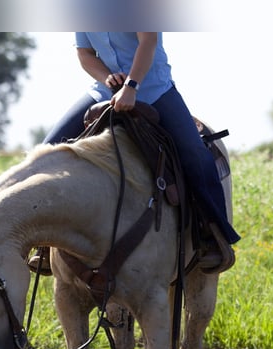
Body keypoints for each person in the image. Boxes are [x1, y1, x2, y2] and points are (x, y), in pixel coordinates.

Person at [29, 32, 239, 275]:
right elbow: (84, 54)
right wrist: (107, 78)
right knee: (47, 151)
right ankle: (45, 242)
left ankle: (213, 233)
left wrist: (131, 85)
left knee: (194, 152)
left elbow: (148, 41)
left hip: (154, 89)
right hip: (104, 92)